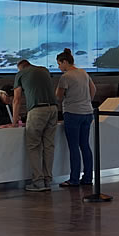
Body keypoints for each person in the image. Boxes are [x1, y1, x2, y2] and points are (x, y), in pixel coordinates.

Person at [10, 58, 57, 192]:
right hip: (53, 109)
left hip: (37, 110)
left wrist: (14, 122)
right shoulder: (44, 70)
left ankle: (38, 182)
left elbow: (17, 99)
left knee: (33, 145)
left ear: (21, 67)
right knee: (49, 146)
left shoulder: (20, 74)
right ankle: (48, 180)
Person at [55, 49, 95, 187]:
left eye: (59, 64)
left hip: (72, 113)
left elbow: (58, 96)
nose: (59, 67)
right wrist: (87, 101)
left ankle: (74, 179)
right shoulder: (84, 72)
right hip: (87, 113)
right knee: (85, 145)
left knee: (73, 147)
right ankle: (88, 177)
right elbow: (93, 89)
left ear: (65, 62)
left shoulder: (66, 77)